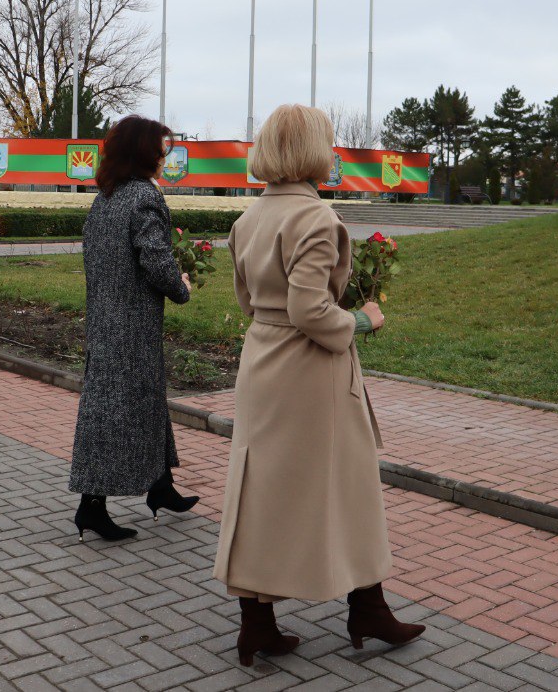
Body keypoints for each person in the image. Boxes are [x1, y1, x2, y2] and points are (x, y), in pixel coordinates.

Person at [213, 104, 425, 666]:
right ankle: (367, 608)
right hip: (310, 371)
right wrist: (362, 320)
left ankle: (257, 623)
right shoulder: (316, 218)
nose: (332, 154)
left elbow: (248, 301)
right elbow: (310, 311)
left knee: (260, 488)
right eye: (328, 144)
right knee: (351, 485)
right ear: (312, 151)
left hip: (262, 360)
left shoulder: (248, 218)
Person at [68, 115, 200, 541]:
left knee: (140, 404)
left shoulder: (105, 197)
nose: (165, 158)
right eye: (162, 151)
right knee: (115, 413)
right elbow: (156, 259)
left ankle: (160, 487)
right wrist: (181, 287)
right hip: (133, 328)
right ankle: (92, 506)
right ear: (144, 153)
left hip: (105, 322)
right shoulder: (144, 197)